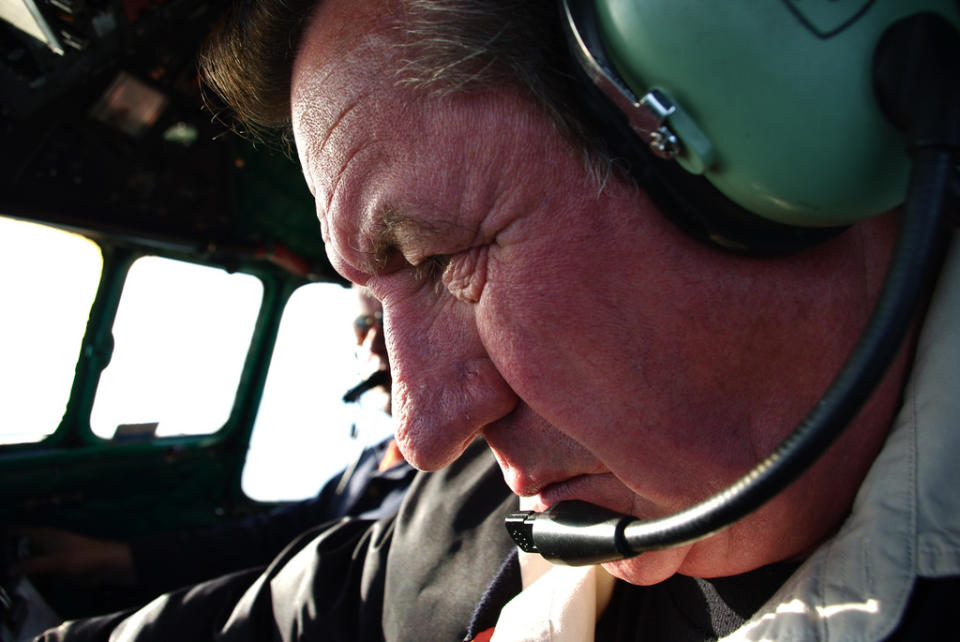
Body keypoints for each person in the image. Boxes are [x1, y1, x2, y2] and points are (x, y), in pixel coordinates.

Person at [35, 0, 960, 640]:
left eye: (439, 260)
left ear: (768, 131)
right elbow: (307, 609)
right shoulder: (492, 516)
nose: (427, 432)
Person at [14, 287, 414, 599]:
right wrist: (110, 560)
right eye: (364, 325)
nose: (374, 345)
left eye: (390, 319)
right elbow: (267, 540)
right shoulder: (371, 462)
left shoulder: (455, 479)